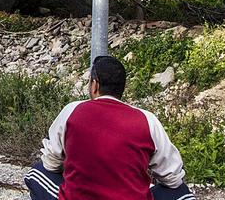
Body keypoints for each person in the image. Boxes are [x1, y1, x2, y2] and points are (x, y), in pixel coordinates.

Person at [25, 55, 196, 200]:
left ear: (95, 84)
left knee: (36, 173)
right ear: (122, 88)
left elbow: (51, 163)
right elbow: (172, 178)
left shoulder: (73, 110)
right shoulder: (147, 120)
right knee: (182, 194)